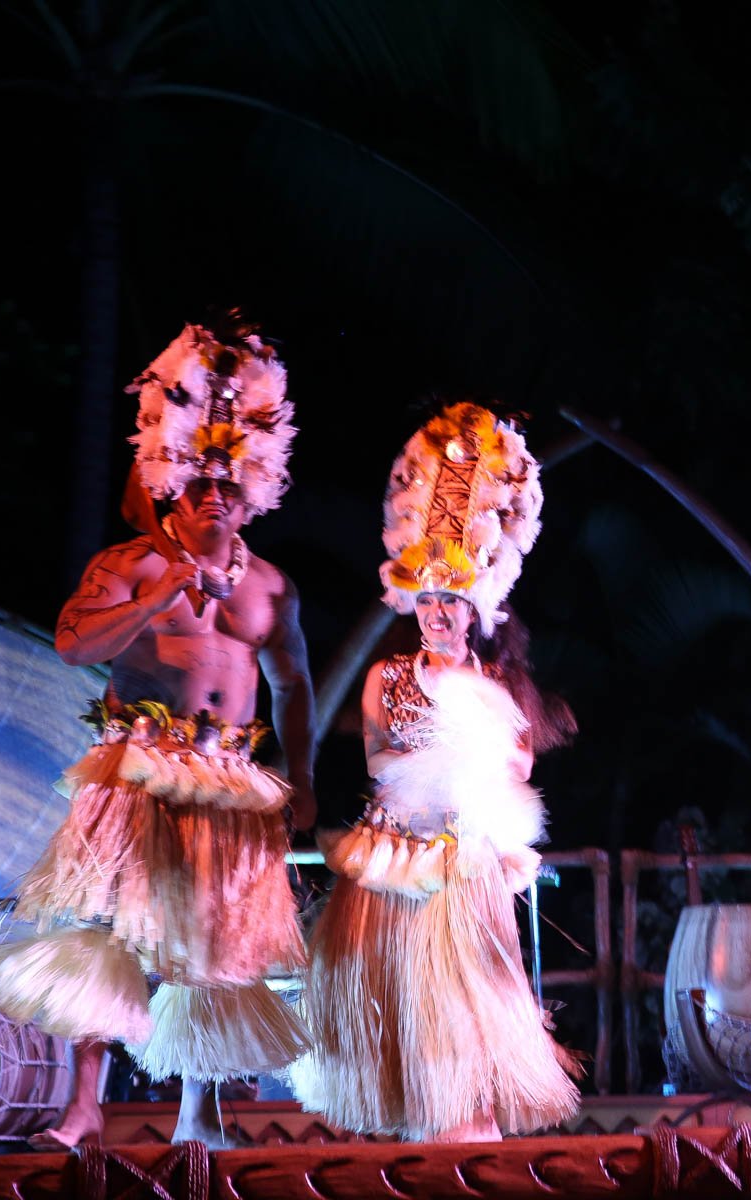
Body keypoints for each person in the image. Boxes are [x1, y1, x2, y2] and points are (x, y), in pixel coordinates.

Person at [0, 320, 313, 1148]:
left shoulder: (269, 587)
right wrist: (157, 602)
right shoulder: (128, 565)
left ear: (252, 491)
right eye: (199, 485)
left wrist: (304, 781)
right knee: (106, 932)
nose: (214, 498)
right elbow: (72, 641)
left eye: (229, 487)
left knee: (214, 945)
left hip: (228, 779)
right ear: (175, 482)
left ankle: (200, 1112)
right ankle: (85, 1107)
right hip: (139, 772)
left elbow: (292, 684)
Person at [291, 403, 580, 1142]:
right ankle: (414, 1122)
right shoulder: (385, 678)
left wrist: (477, 744)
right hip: (397, 854)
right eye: (427, 601)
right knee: (397, 996)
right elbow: (381, 761)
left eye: (451, 601)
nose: (438, 615)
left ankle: (473, 1121)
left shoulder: (499, 684)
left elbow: (514, 769)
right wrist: (442, 753)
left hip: (466, 863)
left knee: (470, 999)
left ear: (475, 606)